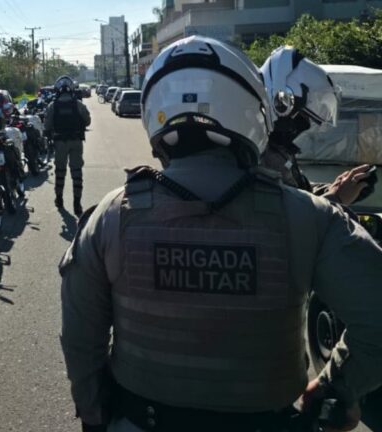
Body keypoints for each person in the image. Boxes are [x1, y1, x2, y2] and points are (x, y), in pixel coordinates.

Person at [60, 35, 382, 432]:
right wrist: (336, 388)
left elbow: (80, 339)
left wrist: (94, 416)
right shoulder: (311, 217)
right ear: (255, 110)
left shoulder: (110, 215)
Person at [260, 46, 371, 205]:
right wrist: (336, 198)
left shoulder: (278, 147)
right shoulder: (258, 153)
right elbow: (282, 219)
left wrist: (333, 189)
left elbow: (298, 191)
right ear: (281, 103)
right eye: (305, 117)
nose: (306, 126)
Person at [44, 75, 92, 216]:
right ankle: (77, 203)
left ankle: (59, 199)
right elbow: (88, 121)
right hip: (76, 141)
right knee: (76, 172)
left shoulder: (52, 106)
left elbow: (47, 125)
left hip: (59, 143)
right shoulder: (78, 104)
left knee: (60, 172)